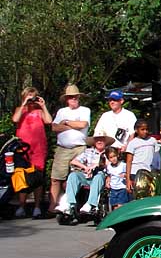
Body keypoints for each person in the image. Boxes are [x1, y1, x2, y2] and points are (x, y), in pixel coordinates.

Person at [49, 84, 90, 214]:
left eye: (75, 97)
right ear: (67, 99)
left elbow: (83, 124)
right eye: (71, 97)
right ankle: (53, 206)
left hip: (79, 147)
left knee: (78, 177)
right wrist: (73, 126)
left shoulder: (85, 110)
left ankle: (75, 205)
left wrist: (66, 123)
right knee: (56, 178)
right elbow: (54, 127)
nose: (74, 99)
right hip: (63, 148)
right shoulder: (62, 112)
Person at [11, 87, 52, 218]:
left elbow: (49, 121)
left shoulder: (39, 112)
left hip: (38, 148)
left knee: (37, 178)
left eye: (33, 97)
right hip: (23, 149)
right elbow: (15, 119)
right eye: (29, 97)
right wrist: (24, 103)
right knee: (22, 176)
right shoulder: (20, 110)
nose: (31, 100)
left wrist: (43, 106)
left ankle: (37, 207)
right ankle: (21, 206)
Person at [61, 135, 112, 224]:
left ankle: (90, 204)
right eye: (97, 140)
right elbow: (73, 161)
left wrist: (95, 166)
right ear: (94, 142)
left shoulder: (109, 152)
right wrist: (85, 167)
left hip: (101, 177)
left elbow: (110, 164)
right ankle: (70, 204)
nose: (99, 142)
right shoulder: (88, 151)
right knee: (73, 176)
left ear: (105, 142)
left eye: (102, 140)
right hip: (87, 176)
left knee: (99, 176)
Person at [125, 119, 161, 190]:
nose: (145, 131)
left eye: (147, 129)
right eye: (142, 129)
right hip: (136, 173)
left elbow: (157, 157)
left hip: (149, 172)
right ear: (136, 130)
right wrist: (128, 179)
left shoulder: (152, 141)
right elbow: (129, 161)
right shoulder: (133, 143)